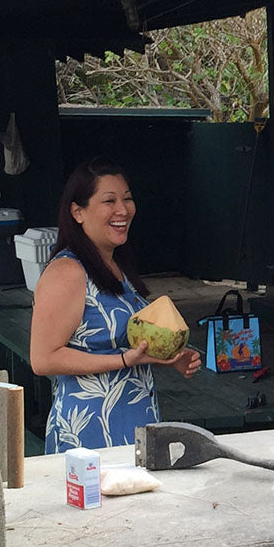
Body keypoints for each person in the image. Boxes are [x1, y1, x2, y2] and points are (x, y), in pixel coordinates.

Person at [31, 157, 200, 454]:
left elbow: (122, 342)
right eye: (109, 201)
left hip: (133, 420)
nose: (123, 210)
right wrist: (124, 360)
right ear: (78, 212)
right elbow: (44, 359)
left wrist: (167, 357)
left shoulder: (116, 266)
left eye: (127, 198)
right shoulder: (68, 272)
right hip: (89, 432)